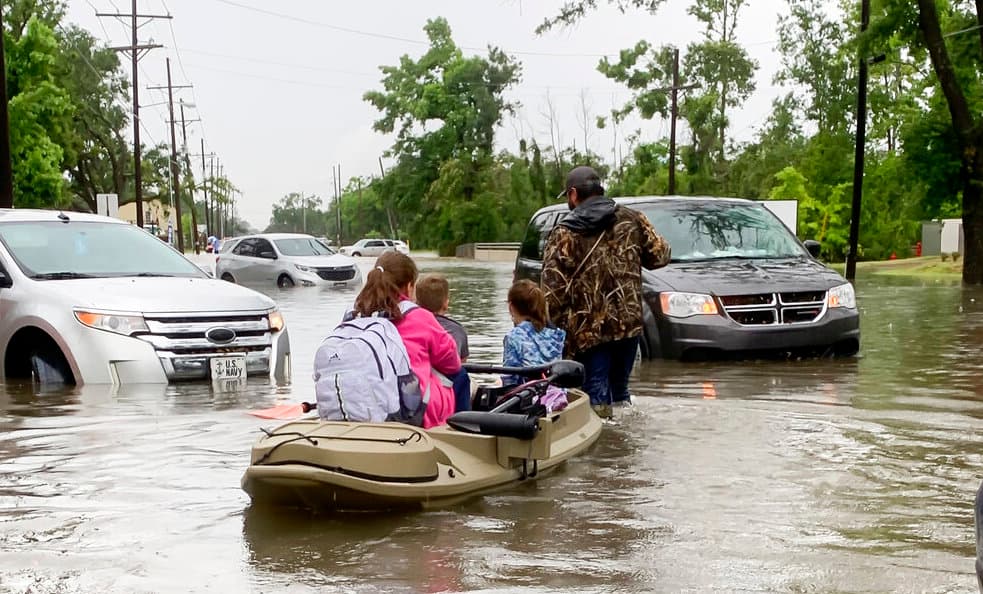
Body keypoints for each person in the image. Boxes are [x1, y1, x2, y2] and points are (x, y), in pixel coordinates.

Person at [541, 165, 671, 419]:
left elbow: (552, 293)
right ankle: (623, 444)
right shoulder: (633, 219)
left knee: (594, 392)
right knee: (620, 390)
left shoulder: (564, 233)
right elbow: (661, 255)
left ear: (574, 194)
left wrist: (553, 330)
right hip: (629, 324)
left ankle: (604, 447)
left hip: (588, 330)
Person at [351, 252, 462, 428]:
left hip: (360, 405)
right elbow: (452, 363)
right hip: (413, 412)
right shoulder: (420, 317)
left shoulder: (354, 316)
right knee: (460, 377)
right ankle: (461, 433)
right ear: (410, 287)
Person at [502, 279, 568, 413]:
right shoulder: (557, 335)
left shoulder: (513, 337)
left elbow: (510, 379)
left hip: (529, 400)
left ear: (511, 307)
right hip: (557, 394)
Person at [414, 273, 472, 412]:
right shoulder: (458, 330)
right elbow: (461, 362)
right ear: (446, 303)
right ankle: (463, 419)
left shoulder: (411, 324)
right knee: (463, 375)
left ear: (417, 302)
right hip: (447, 387)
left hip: (417, 385)